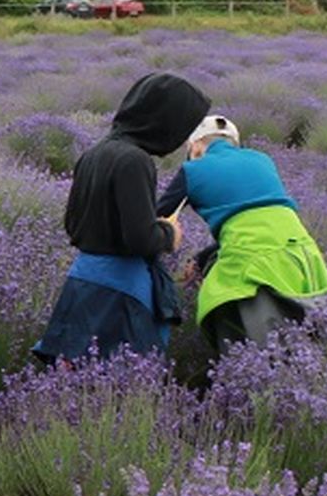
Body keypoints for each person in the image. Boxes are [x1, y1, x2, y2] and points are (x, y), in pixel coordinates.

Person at [33, 72, 209, 364]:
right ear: (163, 121)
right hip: (120, 290)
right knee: (119, 381)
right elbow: (141, 238)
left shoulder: (94, 153)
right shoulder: (134, 160)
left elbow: (72, 225)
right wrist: (169, 234)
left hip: (82, 282)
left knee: (74, 373)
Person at [158, 114, 327, 353]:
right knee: (315, 350)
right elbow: (256, 220)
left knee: (251, 350)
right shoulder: (263, 160)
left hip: (253, 265)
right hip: (304, 255)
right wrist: (202, 259)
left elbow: (155, 221)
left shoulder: (193, 169)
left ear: (196, 146)